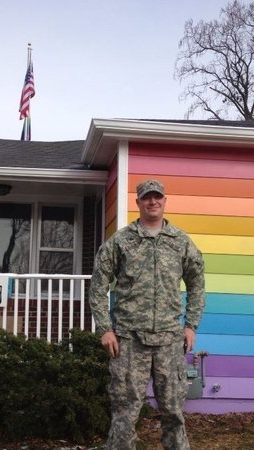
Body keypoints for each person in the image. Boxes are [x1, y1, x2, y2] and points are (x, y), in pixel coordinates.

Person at [89, 178, 205, 450]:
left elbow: (197, 283)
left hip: (168, 340)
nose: (152, 201)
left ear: (165, 201)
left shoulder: (180, 242)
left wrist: (191, 326)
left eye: (157, 197)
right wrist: (105, 329)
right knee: (125, 413)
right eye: (146, 197)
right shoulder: (122, 241)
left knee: (174, 412)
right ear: (138, 202)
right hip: (130, 341)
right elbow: (98, 285)